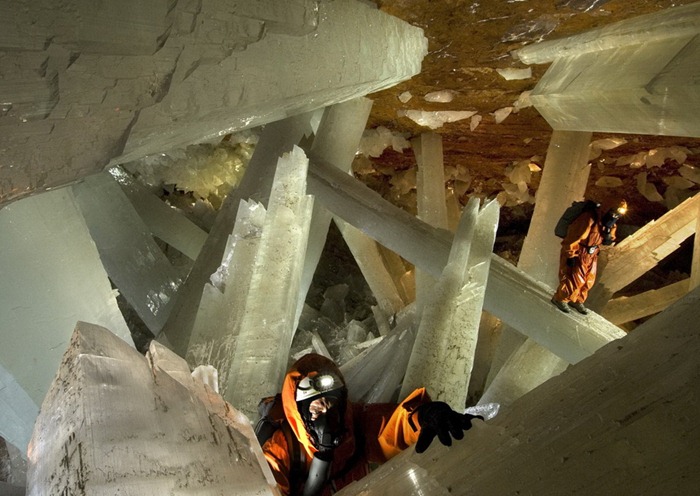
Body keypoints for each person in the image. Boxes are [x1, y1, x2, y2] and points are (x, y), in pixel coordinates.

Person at [259, 353, 481, 496]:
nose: (327, 414)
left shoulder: (355, 425)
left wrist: (424, 415)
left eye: (332, 404)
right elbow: (265, 487)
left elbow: (395, 425)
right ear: (300, 412)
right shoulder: (282, 450)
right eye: (317, 407)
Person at [551, 198, 627, 314]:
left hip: (592, 254)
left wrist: (608, 236)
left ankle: (577, 299)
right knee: (574, 278)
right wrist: (570, 254)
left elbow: (610, 237)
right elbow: (573, 237)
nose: (615, 216)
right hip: (580, 251)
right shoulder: (588, 218)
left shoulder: (608, 223)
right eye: (614, 213)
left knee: (588, 280)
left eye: (618, 215)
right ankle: (561, 298)